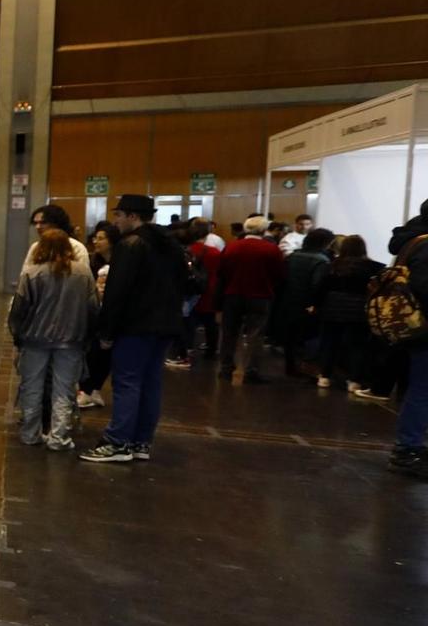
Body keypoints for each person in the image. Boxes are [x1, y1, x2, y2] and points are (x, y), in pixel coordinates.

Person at [82, 194, 186, 463]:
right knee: (151, 382)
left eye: (119, 215)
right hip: (165, 325)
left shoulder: (131, 245)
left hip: (135, 325)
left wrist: (106, 331)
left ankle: (117, 442)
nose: (115, 221)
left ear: (132, 216)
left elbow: (118, 291)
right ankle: (141, 441)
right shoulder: (170, 244)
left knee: (127, 382)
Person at [9, 228, 98, 451]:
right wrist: (89, 336)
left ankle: (30, 433)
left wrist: (17, 337)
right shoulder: (83, 273)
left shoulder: (31, 272)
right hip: (72, 341)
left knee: (32, 388)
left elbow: (19, 310)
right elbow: (93, 308)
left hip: (34, 340)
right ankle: (59, 437)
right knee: (64, 390)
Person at [216, 215, 287, 384]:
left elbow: (221, 274)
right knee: (256, 334)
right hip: (260, 296)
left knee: (229, 333)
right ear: (264, 230)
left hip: (232, 295)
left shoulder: (232, 247)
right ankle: (251, 370)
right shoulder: (271, 249)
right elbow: (279, 275)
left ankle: (226, 368)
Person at [386, 201, 428, 478]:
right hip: (425, 328)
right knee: (422, 389)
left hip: (412, 325)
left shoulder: (410, 240)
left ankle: (409, 445)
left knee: (420, 388)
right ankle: (408, 448)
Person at [311, 235, 381, 391]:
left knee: (330, 343)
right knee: (358, 346)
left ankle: (325, 377)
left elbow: (321, 288)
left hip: (333, 309)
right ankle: (354, 381)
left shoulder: (332, 266)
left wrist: (315, 305)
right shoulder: (374, 267)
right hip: (360, 310)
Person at [274, 227, 333, 381]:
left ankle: (291, 366)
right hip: (307, 304)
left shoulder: (293, 256)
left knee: (291, 337)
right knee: (310, 336)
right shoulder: (322, 261)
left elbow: (281, 279)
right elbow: (317, 285)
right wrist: (316, 304)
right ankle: (307, 367)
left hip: (289, 301)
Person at [77, 223, 118, 408]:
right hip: (93, 313)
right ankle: (86, 389)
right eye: (95, 238)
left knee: (106, 354)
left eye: (101, 238)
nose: (96, 242)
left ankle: (95, 390)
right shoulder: (92, 262)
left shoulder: (120, 263)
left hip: (111, 314)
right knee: (91, 352)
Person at [182, 217, 222, 364]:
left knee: (188, 322)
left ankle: (187, 349)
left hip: (190, 292)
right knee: (211, 324)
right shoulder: (215, 253)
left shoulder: (186, 251)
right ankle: (211, 350)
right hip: (210, 291)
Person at [24, 205, 90, 269]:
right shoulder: (35, 247)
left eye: (43, 222)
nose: (38, 227)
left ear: (56, 223)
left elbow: (83, 275)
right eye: (35, 223)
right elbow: (25, 274)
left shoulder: (76, 247)